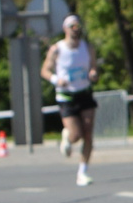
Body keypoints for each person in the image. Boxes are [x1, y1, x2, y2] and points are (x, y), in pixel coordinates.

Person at [43, 16, 100, 186]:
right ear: (65, 29)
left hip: (84, 92)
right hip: (66, 95)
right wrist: (55, 79)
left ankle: (83, 172)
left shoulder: (87, 47)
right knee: (76, 135)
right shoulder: (57, 49)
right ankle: (68, 136)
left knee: (88, 133)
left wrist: (94, 73)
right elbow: (44, 70)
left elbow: (94, 66)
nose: (75, 29)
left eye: (77, 26)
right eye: (71, 26)